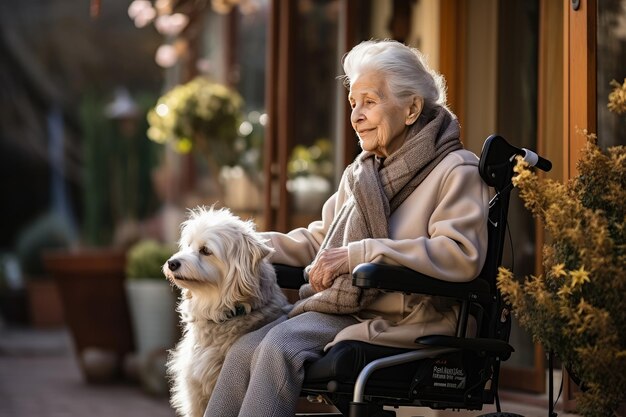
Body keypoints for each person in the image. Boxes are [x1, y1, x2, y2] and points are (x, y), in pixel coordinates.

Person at [204, 39, 490, 417]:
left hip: (410, 318)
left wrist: (364, 253)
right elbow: (322, 240)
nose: (356, 116)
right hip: (350, 308)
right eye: (353, 103)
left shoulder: (455, 170)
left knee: (278, 347)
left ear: (411, 109)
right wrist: (246, 244)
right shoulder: (363, 172)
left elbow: (460, 255)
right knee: (243, 349)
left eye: (369, 102)